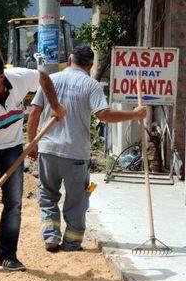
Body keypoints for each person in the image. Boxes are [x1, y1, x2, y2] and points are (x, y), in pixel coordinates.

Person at [27, 44, 147, 251]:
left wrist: (32, 143)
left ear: (70, 61)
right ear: (90, 65)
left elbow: (34, 113)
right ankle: (72, 242)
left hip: (48, 149)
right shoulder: (91, 85)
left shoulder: (51, 80)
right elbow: (104, 115)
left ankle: (51, 237)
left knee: (47, 195)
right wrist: (134, 114)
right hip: (75, 153)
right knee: (77, 200)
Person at [0, 55, 66, 273]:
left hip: (11, 148)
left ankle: (7, 256)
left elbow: (44, 78)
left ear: (2, 77)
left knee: (13, 203)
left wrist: (55, 106)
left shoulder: (19, 79)